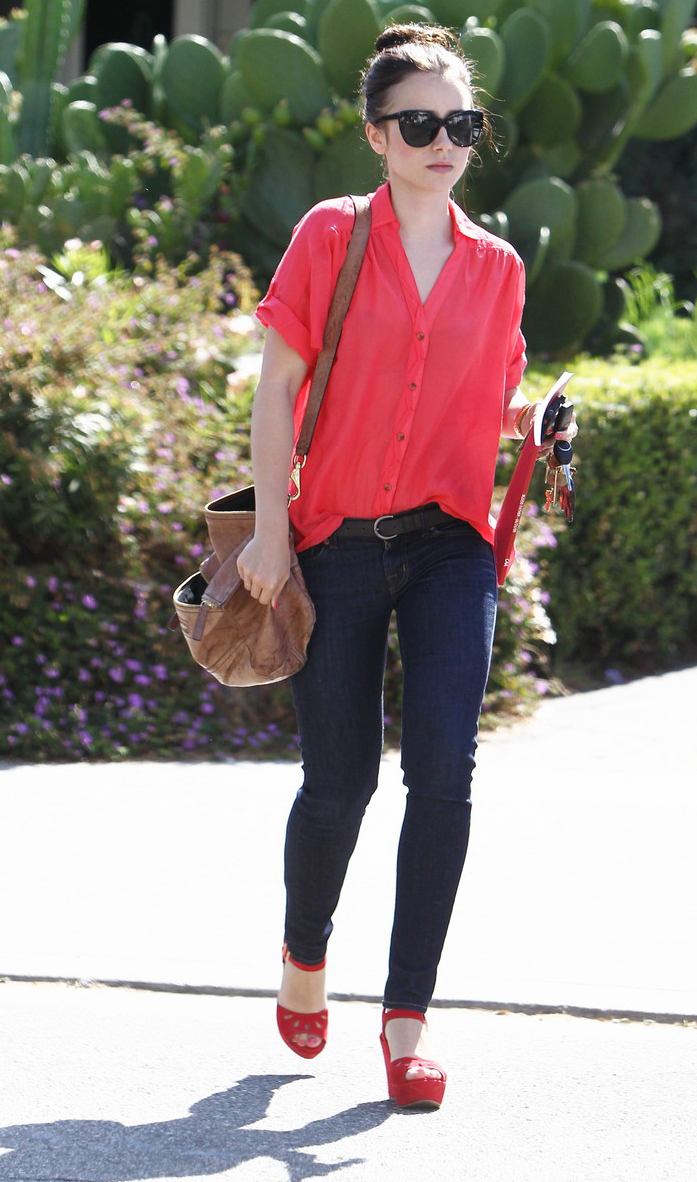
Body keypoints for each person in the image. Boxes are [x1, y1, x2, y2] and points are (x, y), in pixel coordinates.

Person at [239, 22, 577, 1110]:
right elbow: (278, 387)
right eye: (419, 123)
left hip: (447, 547)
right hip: (334, 540)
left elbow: (488, 400)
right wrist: (271, 531)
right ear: (377, 135)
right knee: (339, 782)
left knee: (443, 772)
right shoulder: (330, 235)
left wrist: (536, 421)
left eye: (460, 123)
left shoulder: (498, 267)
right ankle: (304, 950)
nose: (443, 143)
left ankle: (406, 1021)